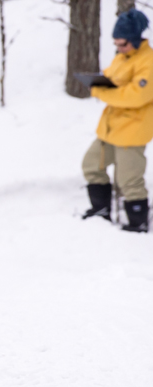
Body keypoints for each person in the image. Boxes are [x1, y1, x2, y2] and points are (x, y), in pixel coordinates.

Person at [82, 8, 152, 232]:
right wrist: (97, 82)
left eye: (123, 44)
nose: (119, 49)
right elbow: (112, 78)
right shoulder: (123, 58)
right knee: (92, 165)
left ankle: (137, 223)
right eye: (117, 44)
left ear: (134, 40)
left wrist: (101, 92)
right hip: (111, 127)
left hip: (132, 129)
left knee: (129, 179)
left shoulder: (148, 62)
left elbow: (137, 95)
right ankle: (101, 210)